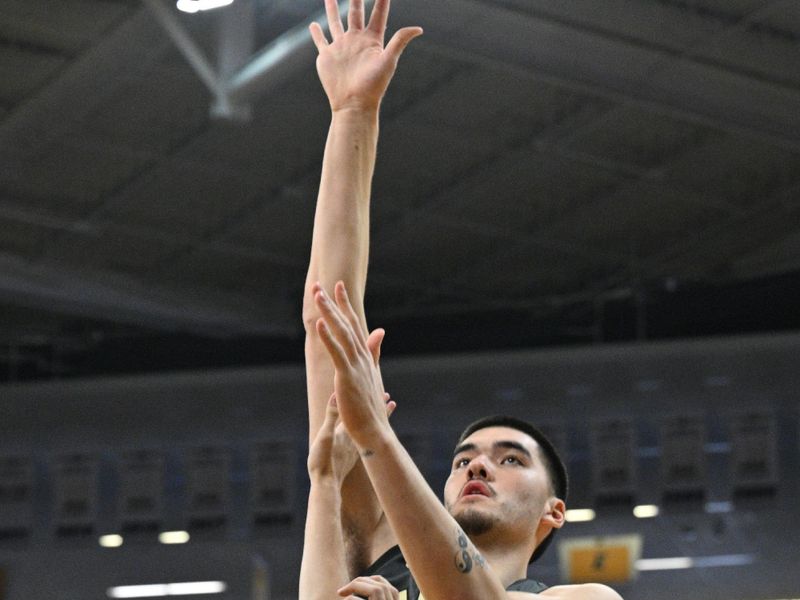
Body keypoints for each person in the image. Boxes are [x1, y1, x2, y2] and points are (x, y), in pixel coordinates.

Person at [300, 1, 623, 598]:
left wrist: (377, 438)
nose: (476, 466)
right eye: (462, 459)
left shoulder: (581, 598)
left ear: (553, 513)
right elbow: (328, 322)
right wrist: (352, 113)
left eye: (509, 460)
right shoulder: (381, 557)